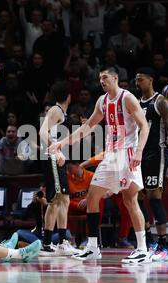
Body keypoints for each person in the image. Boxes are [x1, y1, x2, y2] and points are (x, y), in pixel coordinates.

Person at [49, 66, 150, 263]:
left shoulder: (127, 98)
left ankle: (142, 249)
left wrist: (138, 151)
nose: (102, 81)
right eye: (100, 78)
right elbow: (87, 127)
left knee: (130, 200)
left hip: (128, 153)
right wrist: (61, 142)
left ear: (115, 78)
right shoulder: (102, 101)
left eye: (105, 77)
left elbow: (144, 126)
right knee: (93, 196)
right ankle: (93, 247)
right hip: (111, 155)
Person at [135, 67, 168, 261]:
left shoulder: (161, 102)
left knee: (154, 197)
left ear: (150, 80)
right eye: (136, 79)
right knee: (135, 197)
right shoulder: (135, 103)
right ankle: (150, 241)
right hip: (139, 154)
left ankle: (163, 245)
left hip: (156, 153)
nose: (137, 82)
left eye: (141, 79)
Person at [38, 80, 76, 257]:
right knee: (55, 200)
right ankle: (47, 244)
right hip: (52, 158)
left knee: (64, 199)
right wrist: (56, 150)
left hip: (58, 158)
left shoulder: (62, 113)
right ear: (68, 96)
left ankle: (61, 241)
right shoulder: (55, 110)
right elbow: (42, 132)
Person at [72, 157, 134, 248]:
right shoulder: (108, 153)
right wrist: (81, 165)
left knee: (127, 205)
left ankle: (122, 238)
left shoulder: (125, 158)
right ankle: (90, 238)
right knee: (96, 200)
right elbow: (95, 159)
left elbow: (125, 181)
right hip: (103, 186)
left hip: (117, 188)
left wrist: (110, 191)